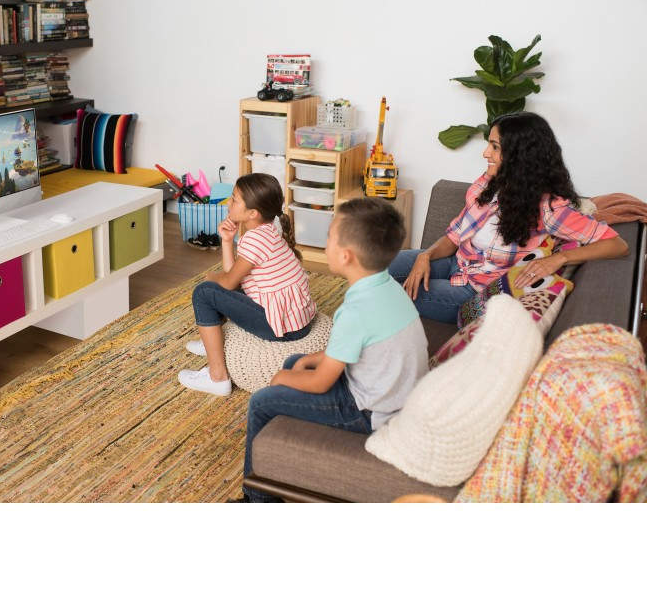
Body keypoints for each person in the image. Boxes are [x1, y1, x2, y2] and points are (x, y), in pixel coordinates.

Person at [238, 197, 428, 502]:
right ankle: (285, 455)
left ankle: (256, 500)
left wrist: (280, 379)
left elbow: (320, 382)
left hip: (368, 412)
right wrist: (309, 360)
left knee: (262, 401)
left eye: (329, 237)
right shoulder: (387, 288)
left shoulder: (355, 312)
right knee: (297, 360)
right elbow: (355, 349)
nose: (325, 244)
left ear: (346, 256)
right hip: (390, 392)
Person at [389, 112, 629, 324]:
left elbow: (617, 245)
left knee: (383, 293)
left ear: (519, 155)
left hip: (473, 290)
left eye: (495, 147)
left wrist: (560, 258)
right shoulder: (490, 183)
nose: (485, 153)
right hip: (456, 262)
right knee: (374, 264)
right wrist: (426, 256)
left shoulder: (549, 208)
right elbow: (455, 235)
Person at [178, 173, 316, 397]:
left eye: (234, 199)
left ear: (253, 213)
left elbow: (228, 282)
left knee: (204, 292)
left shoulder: (255, 240)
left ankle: (217, 377)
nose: (228, 203)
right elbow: (233, 276)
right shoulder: (267, 230)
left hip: (282, 328)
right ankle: (212, 342)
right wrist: (226, 241)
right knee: (219, 288)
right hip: (296, 322)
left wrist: (211, 278)